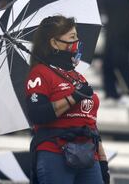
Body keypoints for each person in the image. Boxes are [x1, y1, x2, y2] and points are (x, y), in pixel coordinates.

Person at [25, 16, 110, 184]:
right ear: (54, 43)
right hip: (55, 153)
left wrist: (103, 162)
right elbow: (37, 113)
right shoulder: (40, 73)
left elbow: (91, 123)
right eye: (72, 38)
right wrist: (74, 97)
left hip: (88, 155)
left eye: (77, 36)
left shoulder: (78, 77)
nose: (77, 42)